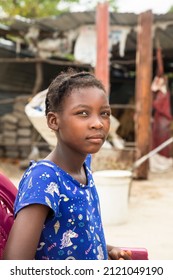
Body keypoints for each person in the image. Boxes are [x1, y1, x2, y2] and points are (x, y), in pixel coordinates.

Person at [3, 69, 131, 260]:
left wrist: (105, 249)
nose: (98, 123)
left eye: (104, 113)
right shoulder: (45, 178)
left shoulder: (84, 168)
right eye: (83, 113)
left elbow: (68, 235)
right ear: (54, 121)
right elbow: (15, 264)